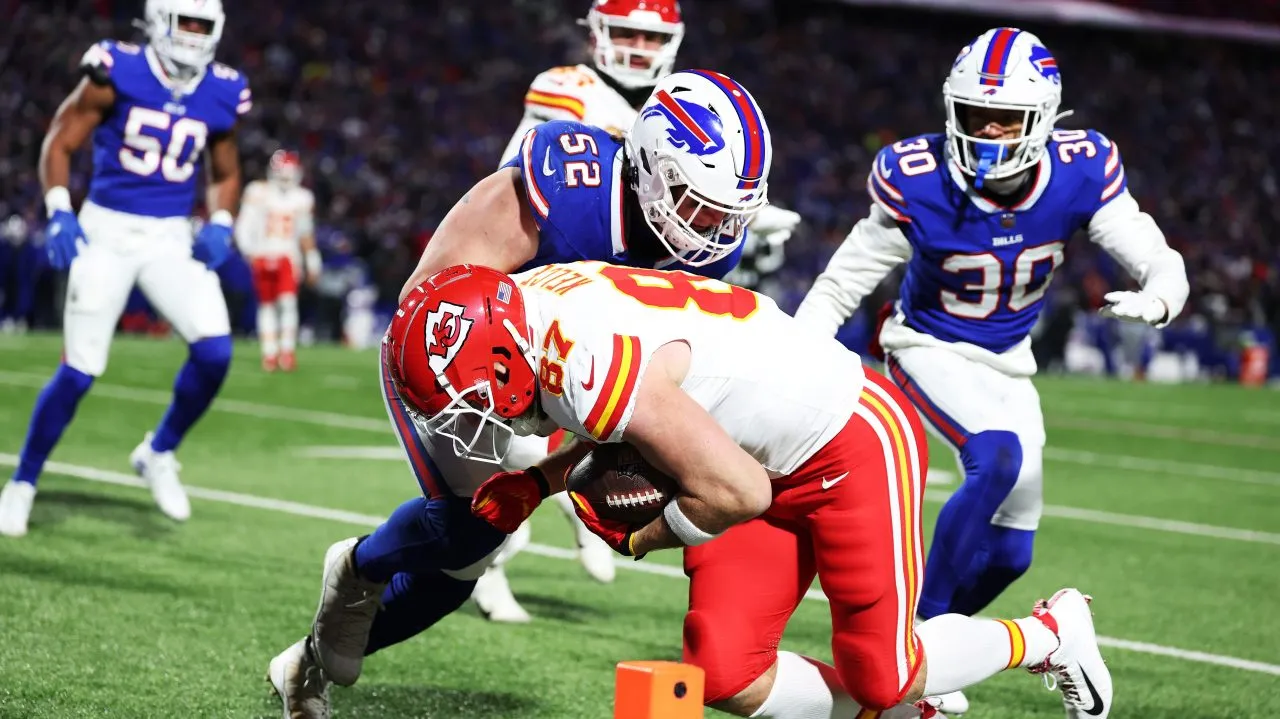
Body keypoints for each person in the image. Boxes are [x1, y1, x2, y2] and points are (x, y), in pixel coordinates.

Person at [266, 69, 776, 718]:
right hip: (458, 350)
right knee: (467, 531)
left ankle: (305, 662)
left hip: (553, 381)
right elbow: (430, 292)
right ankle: (359, 567)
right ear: (650, 163)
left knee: (454, 579)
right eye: (698, 203)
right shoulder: (567, 187)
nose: (709, 229)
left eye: (725, 212)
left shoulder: (702, 248)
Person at [419, 260, 1111, 719]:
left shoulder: (578, 363)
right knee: (723, 672)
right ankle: (905, 709)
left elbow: (738, 492)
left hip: (846, 437)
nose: (466, 412)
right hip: (745, 448)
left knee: (881, 670)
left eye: (466, 394)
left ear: (507, 354)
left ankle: (1048, 633)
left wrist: (645, 535)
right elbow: (642, 405)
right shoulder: (536, 308)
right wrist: (539, 482)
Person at [796, 27, 1188, 714]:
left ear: (1043, 117)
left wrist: (1159, 296)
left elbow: (1159, 257)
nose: (987, 130)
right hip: (925, 346)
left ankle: (936, 653)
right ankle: (912, 646)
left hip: (1010, 362)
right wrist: (794, 355)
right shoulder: (919, 180)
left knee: (1013, 552)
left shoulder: (1080, 168)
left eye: (1005, 116)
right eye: (975, 114)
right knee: (996, 457)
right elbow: (839, 285)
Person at [472, 0, 806, 624]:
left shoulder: (686, 101)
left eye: (647, 35)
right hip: (557, 274)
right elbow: (532, 184)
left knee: (625, 423)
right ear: (595, 32)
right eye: (623, 31)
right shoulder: (567, 90)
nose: (634, 47)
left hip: (624, 289)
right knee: (515, 449)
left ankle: (572, 501)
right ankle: (493, 567)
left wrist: (744, 217)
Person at [0, 0, 248, 537]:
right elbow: (59, 142)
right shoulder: (117, 69)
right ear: (158, 21)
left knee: (215, 351)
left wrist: (223, 219)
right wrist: (60, 210)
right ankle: (21, 482)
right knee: (81, 370)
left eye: (203, 26)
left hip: (169, 235)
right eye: (185, 23)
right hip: (107, 230)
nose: (192, 37)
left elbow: (226, 168)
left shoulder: (223, 88)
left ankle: (158, 451)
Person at [235, 149, 320, 372]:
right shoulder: (258, 191)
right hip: (263, 254)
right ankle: (270, 352)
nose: (286, 180)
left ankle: (286, 351)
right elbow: (245, 225)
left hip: (287, 256)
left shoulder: (302, 197)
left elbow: (305, 233)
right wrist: (249, 251)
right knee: (268, 305)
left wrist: (312, 260)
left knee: (286, 304)